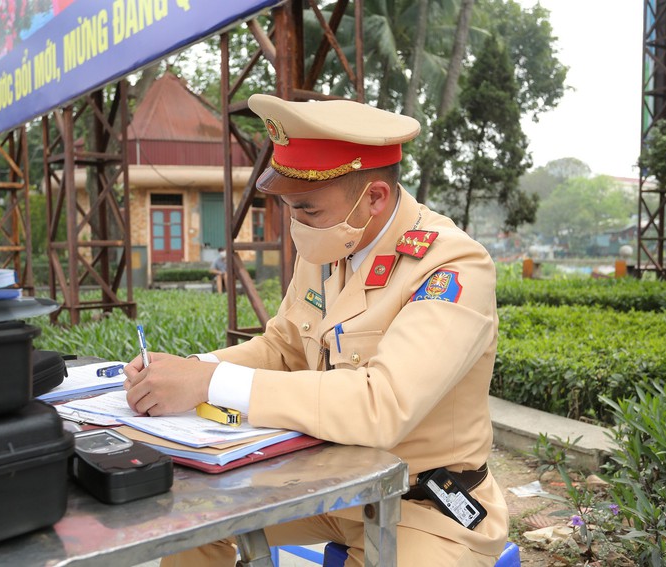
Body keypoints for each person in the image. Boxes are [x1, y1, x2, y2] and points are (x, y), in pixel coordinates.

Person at [123, 94, 508, 566]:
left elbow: (382, 404)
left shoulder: (450, 267)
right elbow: (281, 347)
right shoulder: (332, 246)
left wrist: (209, 383)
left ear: (373, 198)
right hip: (331, 485)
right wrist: (186, 370)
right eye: (290, 209)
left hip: (424, 507)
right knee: (192, 522)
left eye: (308, 211)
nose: (297, 226)